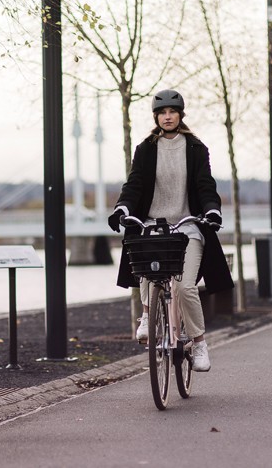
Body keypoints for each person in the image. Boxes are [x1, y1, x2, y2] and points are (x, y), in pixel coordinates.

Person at [107, 89, 234, 372]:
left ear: (180, 115)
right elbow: (134, 184)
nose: (167, 117)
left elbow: (205, 185)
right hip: (153, 226)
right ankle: (147, 315)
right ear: (156, 117)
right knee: (144, 266)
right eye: (162, 113)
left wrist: (212, 210)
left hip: (187, 227)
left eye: (172, 112)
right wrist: (122, 209)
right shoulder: (145, 149)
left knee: (185, 286)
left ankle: (199, 342)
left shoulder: (195, 148)